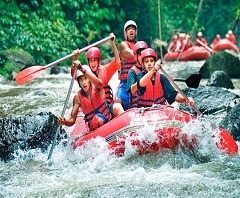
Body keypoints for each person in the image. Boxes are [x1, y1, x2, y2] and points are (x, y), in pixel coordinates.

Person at [58, 61, 124, 131]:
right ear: (78, 82)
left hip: (107, 117)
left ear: (89, 79)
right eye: (81, 80)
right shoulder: (77, 98)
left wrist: (81, 69)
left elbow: (98, 82)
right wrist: (65, 122)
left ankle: (126, 129)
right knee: (98, 120)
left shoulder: (97, 87)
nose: (83, 82)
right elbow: (72, 119)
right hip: (95, 127)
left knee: (117, 106)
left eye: (85, 78)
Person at [72, 33, 121, 105]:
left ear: (98, 61)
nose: (93, 64)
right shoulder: (84, 71)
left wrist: (113, 43)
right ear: (88, 62)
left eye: (94, 60)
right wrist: (75, 57)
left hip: (106, 105)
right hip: (94, 107)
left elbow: (117, 62)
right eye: (91, 61)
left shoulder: (105, 70)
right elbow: (73, 73)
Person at [115, 20, 138, 110]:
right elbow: (131, 53)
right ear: (126, 33)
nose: (131, 31)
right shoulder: (123, 45)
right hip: (125, 83)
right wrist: (142, 54)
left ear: (136, 32)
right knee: (118, 100)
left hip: (139, 81)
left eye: (133, 29)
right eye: (129, 29)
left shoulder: (140, 45)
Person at [126, 41, 148, 108]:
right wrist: (140, 82)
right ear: (136, 57)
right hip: (137, 107)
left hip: (151, 105)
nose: (143, 57)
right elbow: (132, 90)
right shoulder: (132, 72)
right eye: (140, 55)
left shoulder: (151, 69)